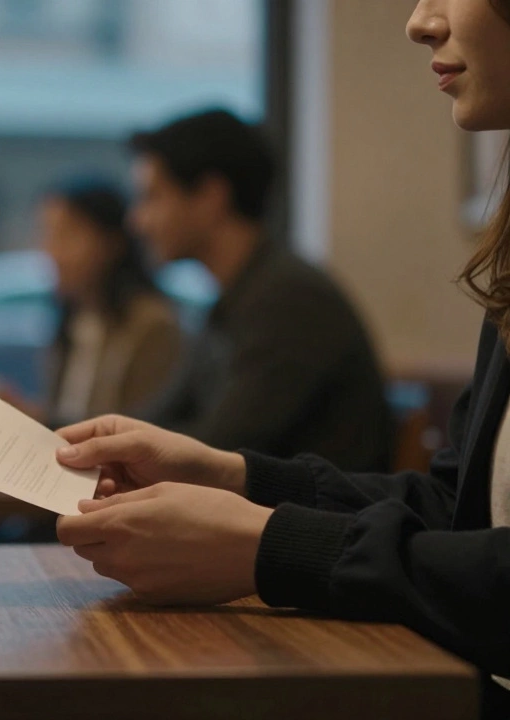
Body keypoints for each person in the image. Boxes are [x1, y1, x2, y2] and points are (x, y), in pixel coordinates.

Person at [55, 1, 510, 713]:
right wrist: (229, 475)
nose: (420, 22)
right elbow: (463, 513)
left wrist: (268, 541)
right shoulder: (503, 273)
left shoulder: (286, 301)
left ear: (211, 197)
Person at [129, 108, 394, 471]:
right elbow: (157, 421)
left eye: (152, 197)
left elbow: (217, 449)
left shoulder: (290, 301)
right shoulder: (240, 296)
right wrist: (52, 435)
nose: (138, 221)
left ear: (211, 196)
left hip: (305, 523)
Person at [40, 180, 181, 425]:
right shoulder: (74, 318)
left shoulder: (151, 325)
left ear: (111, 243)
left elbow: (142, 431)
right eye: (49, 235)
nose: (53, 252)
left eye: (68, 235)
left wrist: (38, 419)